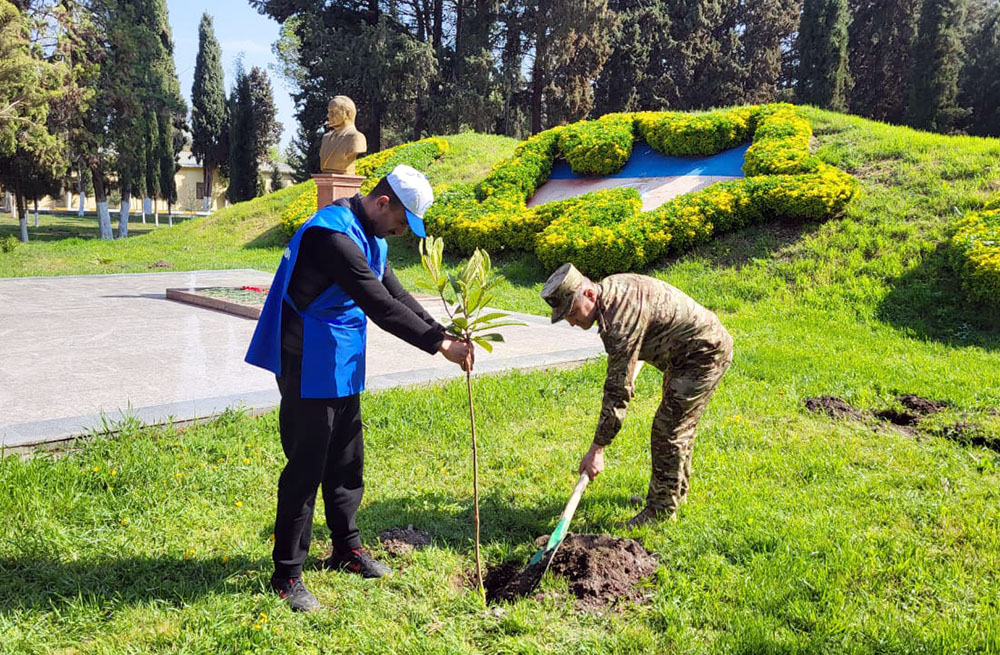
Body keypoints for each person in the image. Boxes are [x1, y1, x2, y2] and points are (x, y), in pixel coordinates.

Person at [245, 164, 472, 611]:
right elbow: (379, 305)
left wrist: (443, 330)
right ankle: (286, 575)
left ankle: (346, 550)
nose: (402, 233)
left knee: (347, 460)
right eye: (402, 222)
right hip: (308, 356)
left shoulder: (372, 236)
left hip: (342, 358)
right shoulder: (332, 235)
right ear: (383, 202)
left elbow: (398, 295)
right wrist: (439, 345)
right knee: (306, 468)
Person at [541, 263, 733, 529]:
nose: (572, 321)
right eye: (565, 317)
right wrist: (630, 369)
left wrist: (597, 450)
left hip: (703, 355)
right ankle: (672, 494)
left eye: (572, 312)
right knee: (677, 426)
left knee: (669, 430)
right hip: (686, 354)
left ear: (590, 294)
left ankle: (661, 510)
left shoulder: (618, 321)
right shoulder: (612, 289)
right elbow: (644, 327)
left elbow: (616, 393)